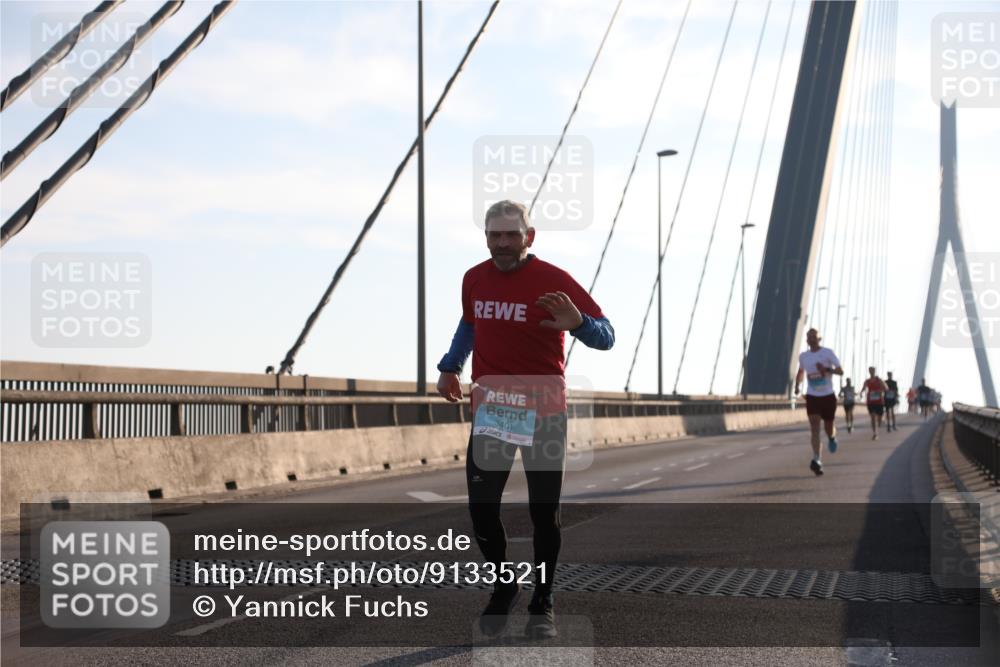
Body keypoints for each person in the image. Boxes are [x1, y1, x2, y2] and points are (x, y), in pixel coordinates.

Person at [436, 200, 615, 640]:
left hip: (544, 412)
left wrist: (579, 325)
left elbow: (606, 335)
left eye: (511, 235)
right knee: (481, 511)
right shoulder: (474, 278)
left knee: (543, 514)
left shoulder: (554, 280)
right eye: (494, 235)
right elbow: (471, 324)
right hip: (493, 410)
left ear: (528, 237)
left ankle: (543, 601)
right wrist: (450, 365)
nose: (502, 243)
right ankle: (504, 584)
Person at [794, 328, 843, 476]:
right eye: (808, 336)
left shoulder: (828, 353)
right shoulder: (803, 356)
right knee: (814, 427)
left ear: (819, 339)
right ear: (807, 340)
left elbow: (840, 371)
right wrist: (797, 385)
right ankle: (817, 459)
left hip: (828, 395)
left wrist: (828, 369)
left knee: (828, 426)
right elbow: (801, 372)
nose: (811, 338)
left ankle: (832, 437)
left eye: (813, 336)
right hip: (813, 396)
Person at [860, 367, 888, 439]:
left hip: (879, 401)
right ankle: (875, 433)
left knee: (879, 420)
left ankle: (881, 421)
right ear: (869, 371)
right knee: (872, 417)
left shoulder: (879, 380)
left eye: (872, 370)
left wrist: (880, 391)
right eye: (870, 370)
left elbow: (886, 388)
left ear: (875, 371)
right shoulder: (867, 381)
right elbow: (863, 388)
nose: (871, 371)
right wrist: (861, 392)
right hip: (870, 401)